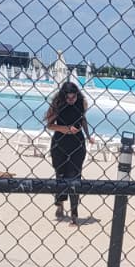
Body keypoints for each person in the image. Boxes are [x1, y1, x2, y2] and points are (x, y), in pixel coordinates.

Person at [44, 81, 89, 223]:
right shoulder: (57, 104)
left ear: (77, 95)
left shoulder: (82, 102)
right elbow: (49, 125)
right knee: (61, 175)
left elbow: (83, 119)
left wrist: (88, 135)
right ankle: (60, 205)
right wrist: (66, 129)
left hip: (77, 143)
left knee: (75, 176)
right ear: (63, 96)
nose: (71, 100)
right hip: (60, 143)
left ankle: (74, 213)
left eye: (73, 97)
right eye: (68, 98)